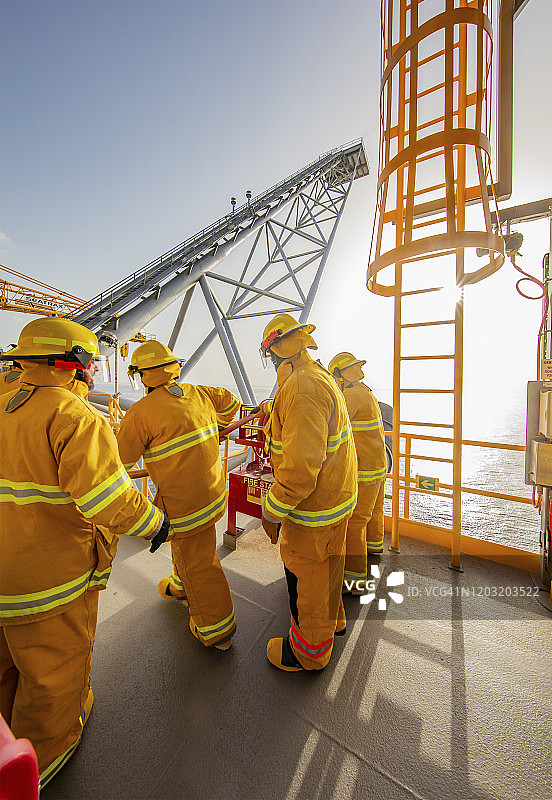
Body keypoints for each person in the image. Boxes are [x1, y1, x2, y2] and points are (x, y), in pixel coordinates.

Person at [0, 317, 170, 790]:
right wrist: (155, 524)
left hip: (5, 575)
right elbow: (106, 500)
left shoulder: (5, 403)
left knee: (7, 667)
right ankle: (41, 763)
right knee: (53, 676)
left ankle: (6, 741)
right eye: (91, 361)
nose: (95, 370)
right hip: (49, 582)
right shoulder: (74, 417)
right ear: (70, 363)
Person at [116, 341, 240, 651]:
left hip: (184, 506)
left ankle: (218, 632)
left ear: (142, 375)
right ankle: (180, 587)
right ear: (173, 368)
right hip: (212, 493)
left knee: (199, 563)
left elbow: (119, 463)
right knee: (191, 550)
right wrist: (217, 426)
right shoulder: (199, 393)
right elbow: (232, 402)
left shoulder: (140, 412)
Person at [258, 314, 357, 672]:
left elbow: (299, 469)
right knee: (330, 566)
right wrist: (273, 409)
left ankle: (309, 653)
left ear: (276, 351)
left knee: (308, 576)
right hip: (336, 498)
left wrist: (271, 511)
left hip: (313, 511)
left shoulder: (300, 389)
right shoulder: (317, 376)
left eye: (269, 355)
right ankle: (334, 622)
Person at [328, 352, 387, 592]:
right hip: (378, 465)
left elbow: (332, 424)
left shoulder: (351, 396)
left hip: (364, 470)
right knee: (374, 512)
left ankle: (353, 581)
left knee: (355, 523)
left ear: (341, 376)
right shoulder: (366, 391)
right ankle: (374, 546)